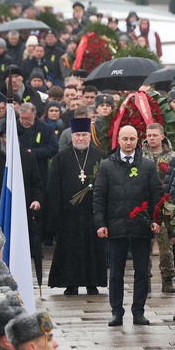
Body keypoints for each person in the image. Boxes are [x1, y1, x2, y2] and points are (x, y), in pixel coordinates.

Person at [94, 125, 163, 327]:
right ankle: (116, 311)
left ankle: (138, 311)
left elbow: (156, 195)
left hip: (141, 226)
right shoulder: (107, 166)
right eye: (125, 139)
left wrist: (155, 220)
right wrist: (101, 223)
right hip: (116, 227)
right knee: (116, 272)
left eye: (132, 139)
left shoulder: (148, 166)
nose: (129, 142)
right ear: (119, 140)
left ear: (137, 140)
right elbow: (99, 197)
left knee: (142, 271)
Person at [45, 118, 107, 295]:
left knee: (92, 249)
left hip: (91, 213)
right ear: (72, 136)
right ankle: (70, 283)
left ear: (90, 136)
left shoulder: (100, 157)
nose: (81, 138)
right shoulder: (61, 157)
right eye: (78, 135)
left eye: (84, 135)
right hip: (68, 214)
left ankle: (92, 283)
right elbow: (54, 187)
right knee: (69, 249)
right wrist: (55, 215)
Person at [142, 122, 175, 293]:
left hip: (164, 204)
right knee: (144, 244)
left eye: (155, 135)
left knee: (165, 243)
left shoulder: (173, 157)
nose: (152, 138)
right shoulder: (140, 155)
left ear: (162, 136)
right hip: (145, 204)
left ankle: (167, 278)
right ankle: (145, 278)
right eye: (149, 135)